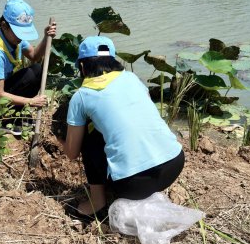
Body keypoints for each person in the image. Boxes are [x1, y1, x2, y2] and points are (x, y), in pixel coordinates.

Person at [60, 36, 185, 221]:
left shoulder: (82, 96)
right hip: (174, 164)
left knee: (90, 137)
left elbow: (71, 153)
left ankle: (96, 203)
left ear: (82, 67)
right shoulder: (132, 78)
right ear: (113, 61)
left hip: (134, 185)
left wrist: (60, 138)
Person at [0, 0, 57, 132]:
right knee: (29, 75)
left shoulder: (14, 39)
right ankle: (3, 120)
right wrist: (30, 102)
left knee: (37, 70)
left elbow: (35, 56)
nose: (21, 37)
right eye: (18, 32)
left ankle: (15, 114)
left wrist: (46, 37)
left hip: (3, 90)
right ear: (4, 26)